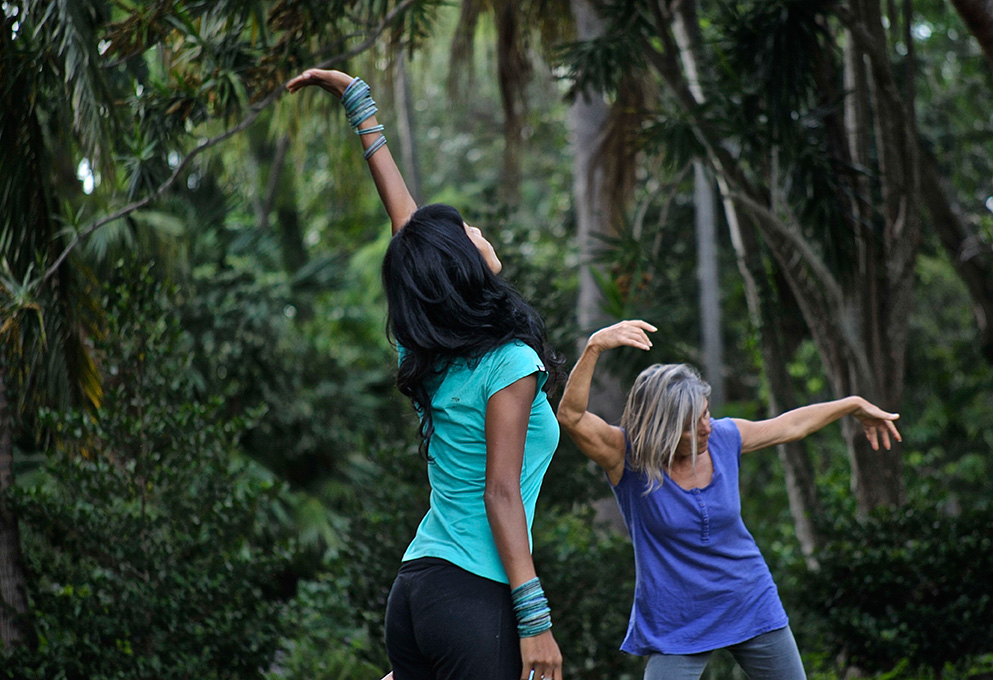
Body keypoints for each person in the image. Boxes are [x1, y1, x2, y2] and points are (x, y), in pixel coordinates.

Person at [286, 68, 564, 680]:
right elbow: (500, 492)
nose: (476, 230)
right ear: (460, 264)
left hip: (416, 592)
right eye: (467, 231)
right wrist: (535, 619)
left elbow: (410, 236)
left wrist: (363, 113)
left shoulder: (434, 358)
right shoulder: (512, 363)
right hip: (474, 596)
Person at [555, 319, 902, 680]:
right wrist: (594, 347)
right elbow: (571, 416)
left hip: (748, 599)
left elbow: (790, 426)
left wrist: (852, 404)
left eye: (706, 413)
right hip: (677, 619)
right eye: (694, 422)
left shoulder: (723, 437)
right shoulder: (626, 456)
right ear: (665, 426)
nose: (707, 426)